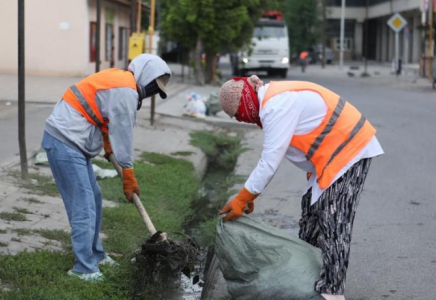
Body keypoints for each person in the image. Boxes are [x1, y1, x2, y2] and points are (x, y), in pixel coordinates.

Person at [218, 75, 383, 300]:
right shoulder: (272, 101)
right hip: (329, 159)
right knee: (311, 218)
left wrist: (243, 197)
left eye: (238, 114)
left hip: (349, 150)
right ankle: (306, 276)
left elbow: (270, 160)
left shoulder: (275, 106)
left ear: (245, 102)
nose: (241, 120)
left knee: (334, 222)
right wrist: (249, 196)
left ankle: (332, 292)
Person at [41, 54, 171, 282]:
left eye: (156, 90)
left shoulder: (122, 83)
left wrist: (107, 145)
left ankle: (96, 255)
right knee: (84, 206)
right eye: (152, 85)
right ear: (143, 75)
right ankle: (84, 267)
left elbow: (102, 115)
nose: (151, 92)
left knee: (95, 199)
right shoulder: (126, 90)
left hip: (74, 143)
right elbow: (123, 133)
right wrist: (128, 175)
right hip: (64, 142)